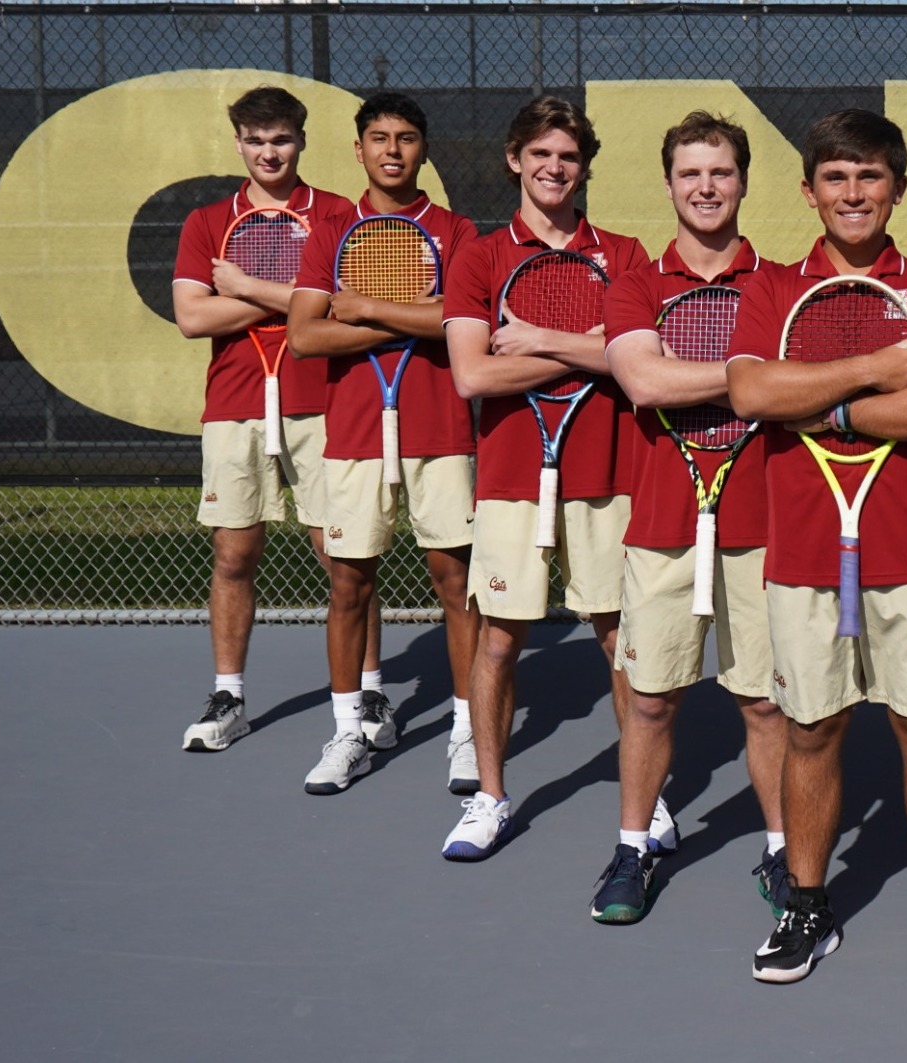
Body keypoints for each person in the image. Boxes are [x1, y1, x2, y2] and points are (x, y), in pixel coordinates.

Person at [724, 109, 907, 988]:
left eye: (870, 176)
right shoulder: (770, 289)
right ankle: (807, 904)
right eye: (835, 178)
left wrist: (821, 406)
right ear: (808, 192)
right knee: (812, 729)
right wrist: (873, 372)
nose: (853, 193)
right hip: (801, 554)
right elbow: (754, 389)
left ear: (897, 188)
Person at [439, 96, 651, 860]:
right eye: (541, 155)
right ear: (514, 160)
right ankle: (490, 798)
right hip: (508, 479)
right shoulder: (480, 257)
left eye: (567, 157)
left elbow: (635, 364)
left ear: (583, 166)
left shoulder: (624, 256)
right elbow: (471, 375)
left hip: (608, 474)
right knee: (498, 641)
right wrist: (587, 344)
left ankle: (645, 798)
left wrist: (533, 338)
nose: (554, 168)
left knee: (618, 638)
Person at [589, 111, 786, 924]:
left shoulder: (779, 281)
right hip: (664, 525)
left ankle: (783, 852)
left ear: (743, 181)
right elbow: (644, 383)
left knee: (766, 703)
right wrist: (750, 375)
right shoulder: (637, 281)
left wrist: (706, 375)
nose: (706, 187)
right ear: (670, 184)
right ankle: (633, 848)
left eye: (721, 172)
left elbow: (789, 389)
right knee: (651, 699)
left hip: (763, 524)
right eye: (691, 174)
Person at [172, 86, 380, 754]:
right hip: (233, 405)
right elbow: (192, 316)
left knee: (342, 555)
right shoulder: (207, 220)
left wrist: (246, 288)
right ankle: (228, 694)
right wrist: (297, 299)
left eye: (281, 139)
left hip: (323, 402)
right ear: (238, 142)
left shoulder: (338, 214)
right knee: (235, 553)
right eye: (256, 140)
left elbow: (348, 307)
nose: (269, 152)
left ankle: (370, 690)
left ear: (301, 140)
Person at [287, 92, 479, 796]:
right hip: (356, 434)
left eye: (405, 138)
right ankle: (349, 731)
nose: (392, 150)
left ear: (423, 149)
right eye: (378, 138)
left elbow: (462, 321)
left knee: (454, 579)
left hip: (440, 429)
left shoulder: (456, 230)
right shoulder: (330, 229)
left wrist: (365, 307)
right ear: (359, 149)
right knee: (347, 583)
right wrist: (412, 319)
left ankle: (466, 729)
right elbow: (306, 336)